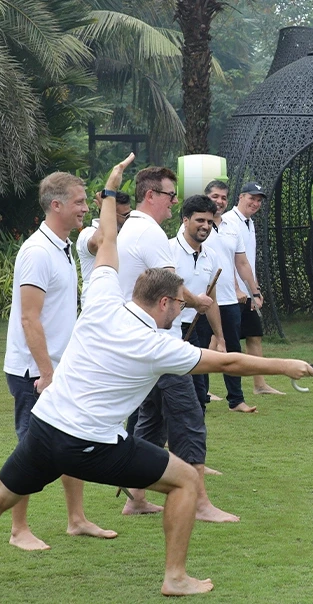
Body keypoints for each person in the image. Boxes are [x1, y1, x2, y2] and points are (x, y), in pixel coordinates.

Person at [0, 154, 313, 596]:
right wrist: (285, 364)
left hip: (46, 429)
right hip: (89, 446)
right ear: (164, 303)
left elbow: (107, 244)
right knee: (184, 480)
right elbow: (228, 362)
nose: (181, 309)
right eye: (179, 304)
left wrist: (109, 190)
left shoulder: (103, 299)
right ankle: (175, 577)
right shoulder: (158, 344)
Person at [2, 171, 115, 551]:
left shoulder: (64, 245)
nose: (86, 208)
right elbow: (29, 318)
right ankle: (19, 530)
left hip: (59, 369)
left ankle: (77, 520)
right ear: (56, 205)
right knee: (31, 447)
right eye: (80, 202)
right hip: (34, 372)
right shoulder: (37, 252)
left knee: (72, 439)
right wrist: (47, 373)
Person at [117, 170, 236, 521]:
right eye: (170, 195)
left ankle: (135, 498)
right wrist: (195, 300)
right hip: (160, 344)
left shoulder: (131, 229)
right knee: (189, 418)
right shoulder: (153, 233)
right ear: (151, 194)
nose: (173, 201)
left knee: (152, 422)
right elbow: (170, 285)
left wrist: (216, 331)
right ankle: (200, 504)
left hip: (142, 343)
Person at [202, 179, 264, 413]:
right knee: (202, 350)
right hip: (203, 299)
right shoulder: (196, 225)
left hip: (228, 300)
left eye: (222, 197)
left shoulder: (231, 227)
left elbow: (242, 262)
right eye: (215, 196)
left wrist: (253, 291)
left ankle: (236, 400)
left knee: (233, 350)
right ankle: (201, 398)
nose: (219, 201)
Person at [222, 182, 283, 395]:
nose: (255, 203)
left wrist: (254, 290)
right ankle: (202, 388)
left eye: (259, 200)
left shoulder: (249, 222)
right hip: (229, 294)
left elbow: (246, 262)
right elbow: (226, 259)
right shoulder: (228, 221)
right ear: (240, 196)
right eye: (252, 198)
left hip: (247, 293)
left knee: (254, 335)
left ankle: (260, 385)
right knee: (217, 342)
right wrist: (236, 288)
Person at [174, 195, 225, 412]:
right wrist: (194, 302)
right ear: (185, 220)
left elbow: (211, 300)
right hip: (167, 331)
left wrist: (220, 338)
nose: (206, 226)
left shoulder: (211, 256)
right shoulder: (167, 250)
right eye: (200, 221)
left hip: (194, 332)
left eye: (209, 222)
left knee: (198, 393)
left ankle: (192, 443)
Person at [77, 191, 131, 307]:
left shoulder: (124, 235)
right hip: (95, 308)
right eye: (125, 216)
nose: (128, 220)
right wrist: (108, 212)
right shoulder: (87, 234)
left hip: (117, 306)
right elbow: (99, 243)